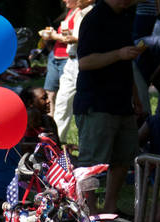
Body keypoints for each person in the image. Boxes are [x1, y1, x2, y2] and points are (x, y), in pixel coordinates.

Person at [74, 0, 144, 214]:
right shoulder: (94, 19)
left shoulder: (124, 17)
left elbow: (126, 64)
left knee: (123, 158)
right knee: (92, 163)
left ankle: (110, 206)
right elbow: (84, 62)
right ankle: (90, 211)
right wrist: (119, 54)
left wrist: (137, 99)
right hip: (97, 103)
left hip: (122, 103)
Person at [54, 0, 95, 143]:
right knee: (62, 102)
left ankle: (86, 143)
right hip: (70, 61)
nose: (65, 0)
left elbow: (88, 39)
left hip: (82, 61)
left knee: (83, 105)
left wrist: (72, 38)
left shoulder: (92, 12)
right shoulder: (77, 12)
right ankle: (56, 143)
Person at [39, 0, 79, 117]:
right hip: (55, 56)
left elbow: (73, 38)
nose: (64, 0)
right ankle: (49, 120)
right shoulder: (69, 12)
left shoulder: (81, 14)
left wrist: (54, 36)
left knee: (66, 95)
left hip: (67, 58)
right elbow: (66, 34)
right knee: (50, 92)